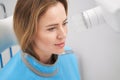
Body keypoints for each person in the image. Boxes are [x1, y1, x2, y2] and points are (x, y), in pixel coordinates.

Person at [0, 0, 80, 80]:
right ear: (29, 32)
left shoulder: (69, 56)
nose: (63, 34)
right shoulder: (9, 77)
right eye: (52, 28)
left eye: (64, 23)